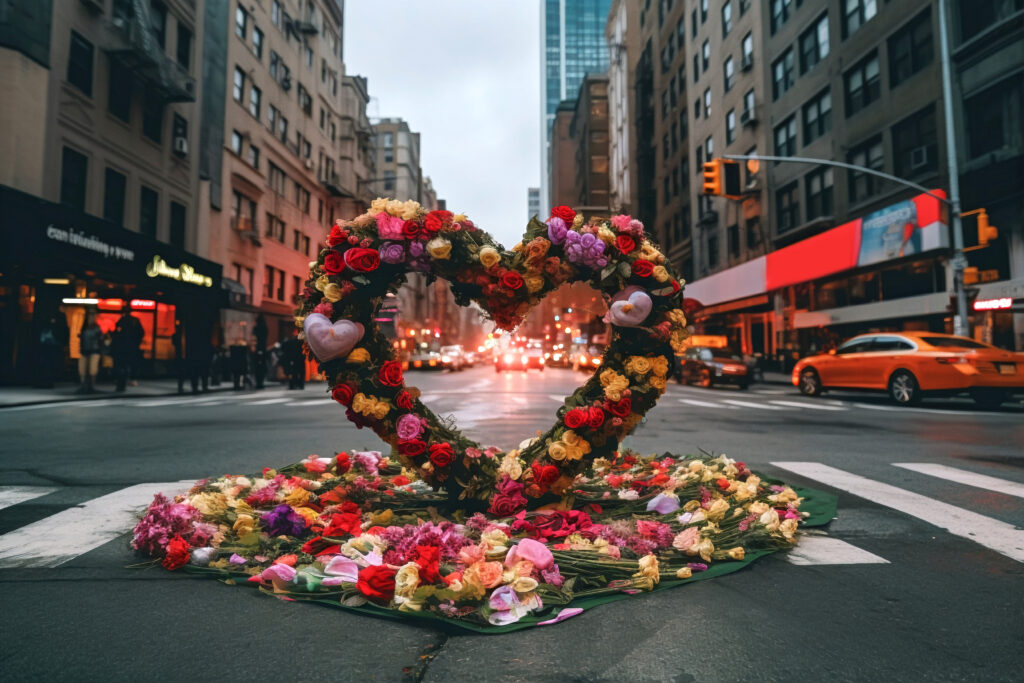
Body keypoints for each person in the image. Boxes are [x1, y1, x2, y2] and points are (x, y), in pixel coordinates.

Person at [112, 305, 144, 392]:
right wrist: (136, 343)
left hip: (123, 347)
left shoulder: (122, 320)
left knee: (122, 365)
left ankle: (122, 382)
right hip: (131, 347)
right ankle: (131, 379)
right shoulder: (134, 320)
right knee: (131, 364)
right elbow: (141, 333)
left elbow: (116, 334)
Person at [35, 311, 69, 388]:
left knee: (49, 365)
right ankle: (45, 381)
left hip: (51, 348)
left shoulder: (57, 326)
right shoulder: (47, 327)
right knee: (47, 365)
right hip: (47, 348)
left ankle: (48, 381)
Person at [77, 311, 103, 393]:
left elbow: (100, 339)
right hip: (85, 350)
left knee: (92, 369)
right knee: (82, 369)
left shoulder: (96, 328)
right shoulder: (84, 328)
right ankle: (84, 385)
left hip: (94, 350)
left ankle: (90, 385)